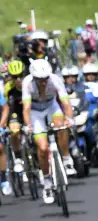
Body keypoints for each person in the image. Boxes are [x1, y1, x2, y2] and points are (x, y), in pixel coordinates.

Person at [21, 59, 74, 203]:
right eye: (39, 80)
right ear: (34, 78)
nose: (43, 82)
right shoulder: (27, 83)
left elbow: (65, 102)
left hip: (52, 107)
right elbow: (26, 108)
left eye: (45, 79)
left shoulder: (55, 80)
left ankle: (66, 158)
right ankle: (47, 182)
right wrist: (27, 125)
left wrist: (70, 119)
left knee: (61, 125)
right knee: (43, 148)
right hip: (35, 112)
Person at [1, 60, 26, 176]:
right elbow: (6, 106)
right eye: (15, 77)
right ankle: (18, 158)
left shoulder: (30, 83)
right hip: (15, 111)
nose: (18, 79)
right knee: (14, 131)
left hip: (30, 111)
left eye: (20, 76)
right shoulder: (7, 87)